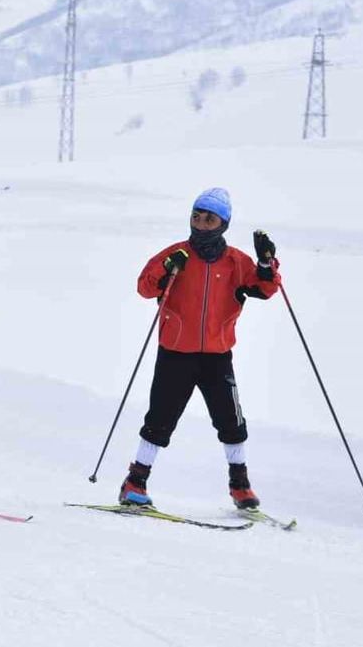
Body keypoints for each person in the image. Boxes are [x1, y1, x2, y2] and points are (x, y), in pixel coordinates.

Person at [119, 188, 280, 510]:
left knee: (231, 421)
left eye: (210, 218)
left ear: (223, 223)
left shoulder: (236, 261)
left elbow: (265, 288)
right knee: (161, 419)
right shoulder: (177, 255)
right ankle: (135, 482)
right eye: (196, 216)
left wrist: (266, 263)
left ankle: (240, 486)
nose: (201, 224)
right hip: (176, 351)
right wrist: (167, 267)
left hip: (217, 355)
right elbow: (144, 287)